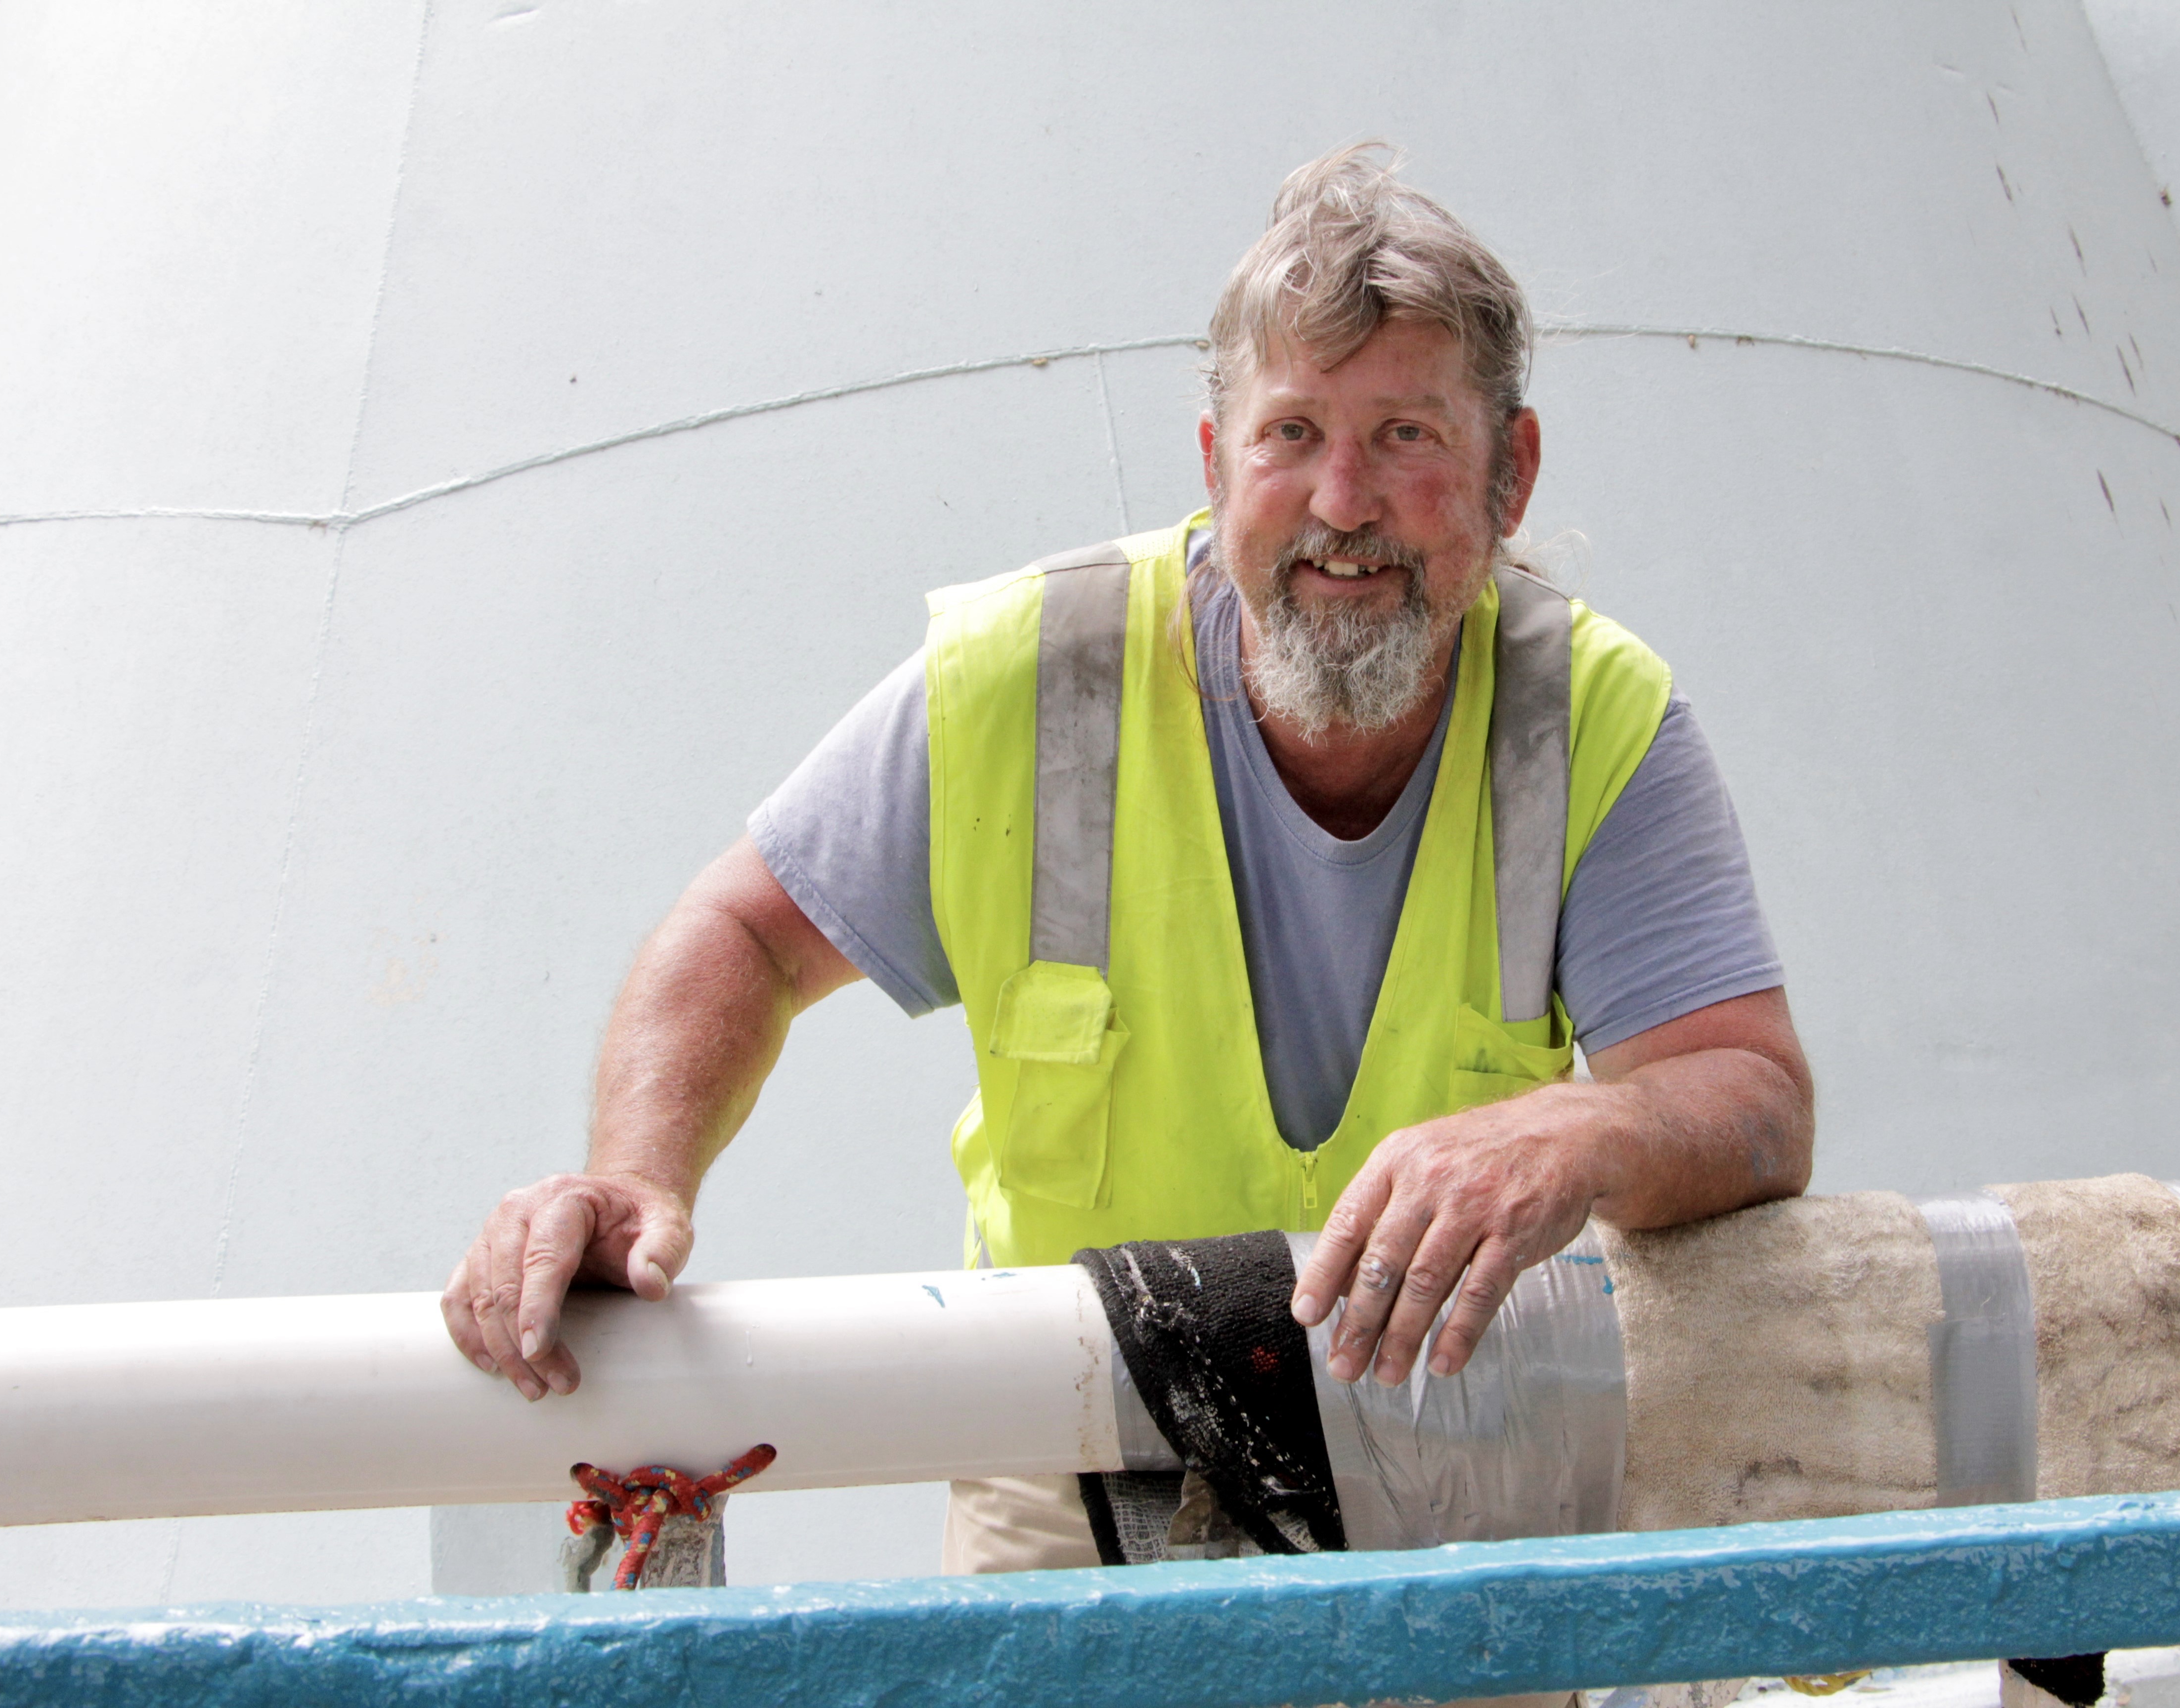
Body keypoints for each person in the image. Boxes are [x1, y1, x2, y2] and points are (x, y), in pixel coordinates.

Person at [442, 144, 1814, 1587]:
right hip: (1069, 1447)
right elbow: (750, 932)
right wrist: (635, 1179)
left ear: (1511, 473)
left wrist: (1581, 1136)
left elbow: (1756, 1100)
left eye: (1407, 434)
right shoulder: (1038, 679)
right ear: (1219, 466)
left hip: (1454, 1460)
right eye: (1292, 434)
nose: (1343, 500)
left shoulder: (1592, 720)